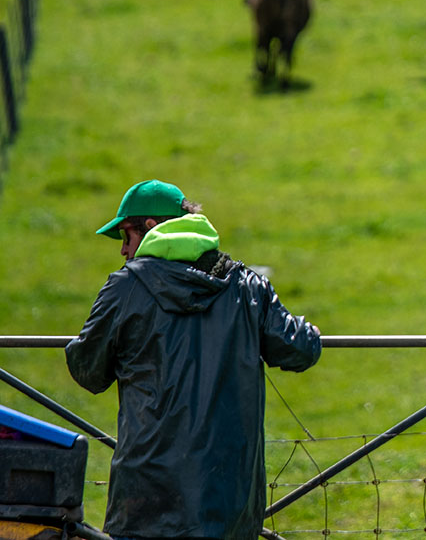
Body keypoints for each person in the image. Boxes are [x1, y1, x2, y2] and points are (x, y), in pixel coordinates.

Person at [65, 179, 322, 540]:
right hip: (231, 500)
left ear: (152, 228)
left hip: (146, 497)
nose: (123, 250)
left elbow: (86, 371)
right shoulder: (246, 285)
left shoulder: (126, 287)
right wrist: (305, 326)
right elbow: (300, 349)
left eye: (126, 237)